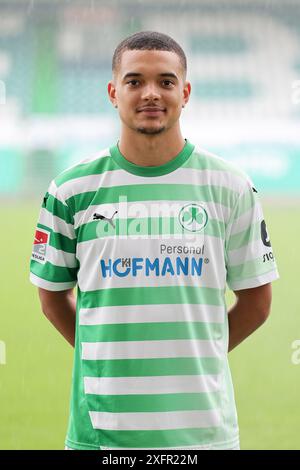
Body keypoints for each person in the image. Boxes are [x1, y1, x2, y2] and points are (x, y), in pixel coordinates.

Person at [30, 31, 279, 451]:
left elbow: (257, 302)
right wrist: (107, 360)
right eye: (134, 81)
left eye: (165, 82)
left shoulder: (230, 186)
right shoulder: (70, 190)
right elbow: (52, 298)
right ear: (113, 92)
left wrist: (199, 356)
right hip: (101, 439)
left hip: (204, 437)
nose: (150, 94)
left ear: (185, 92)